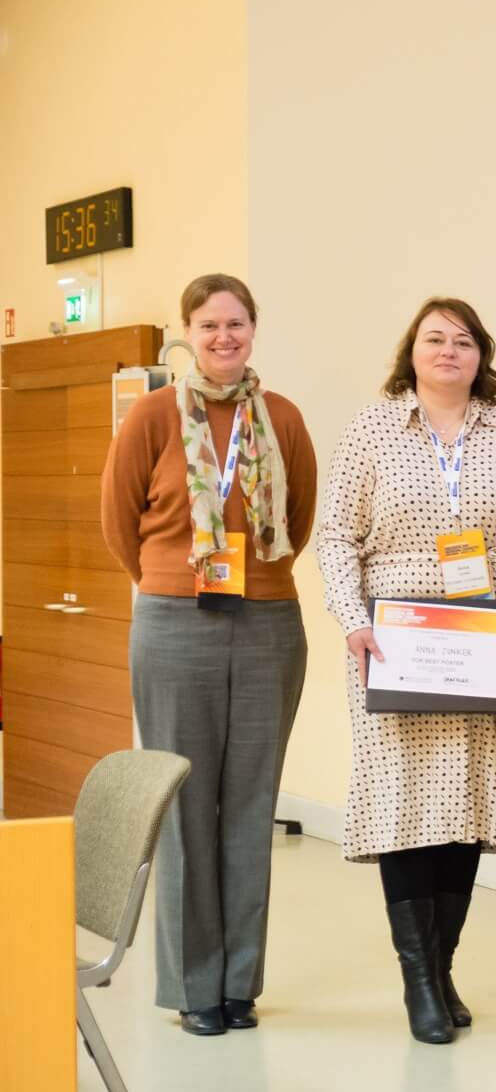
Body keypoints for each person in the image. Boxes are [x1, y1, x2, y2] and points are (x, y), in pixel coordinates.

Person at [316, 297, 496, 1046]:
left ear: (482, 356)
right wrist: (352, 619)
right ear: (411, 352)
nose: (448, 351)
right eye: (434, 339)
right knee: (405, 812)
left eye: (463, 341)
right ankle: (418, 979)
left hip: (482, 643)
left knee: (465, 815)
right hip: (392, 643)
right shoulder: (370, 429)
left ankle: (442, 967)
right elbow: (333, 536)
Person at [101, 273, 316, 1036]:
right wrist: (163, 583)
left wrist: (253, 579)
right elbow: (117, 520)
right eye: (209, 324)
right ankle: (195, 987)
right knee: (186, 804)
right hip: (173, 622)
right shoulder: (155, 416)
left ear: (253, 330)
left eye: (237, 324)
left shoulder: (281, 418)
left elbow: (299, 515)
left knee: (251, 805)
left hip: (267, 623)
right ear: (187, 332)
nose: (224, 337)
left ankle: (237, 984)